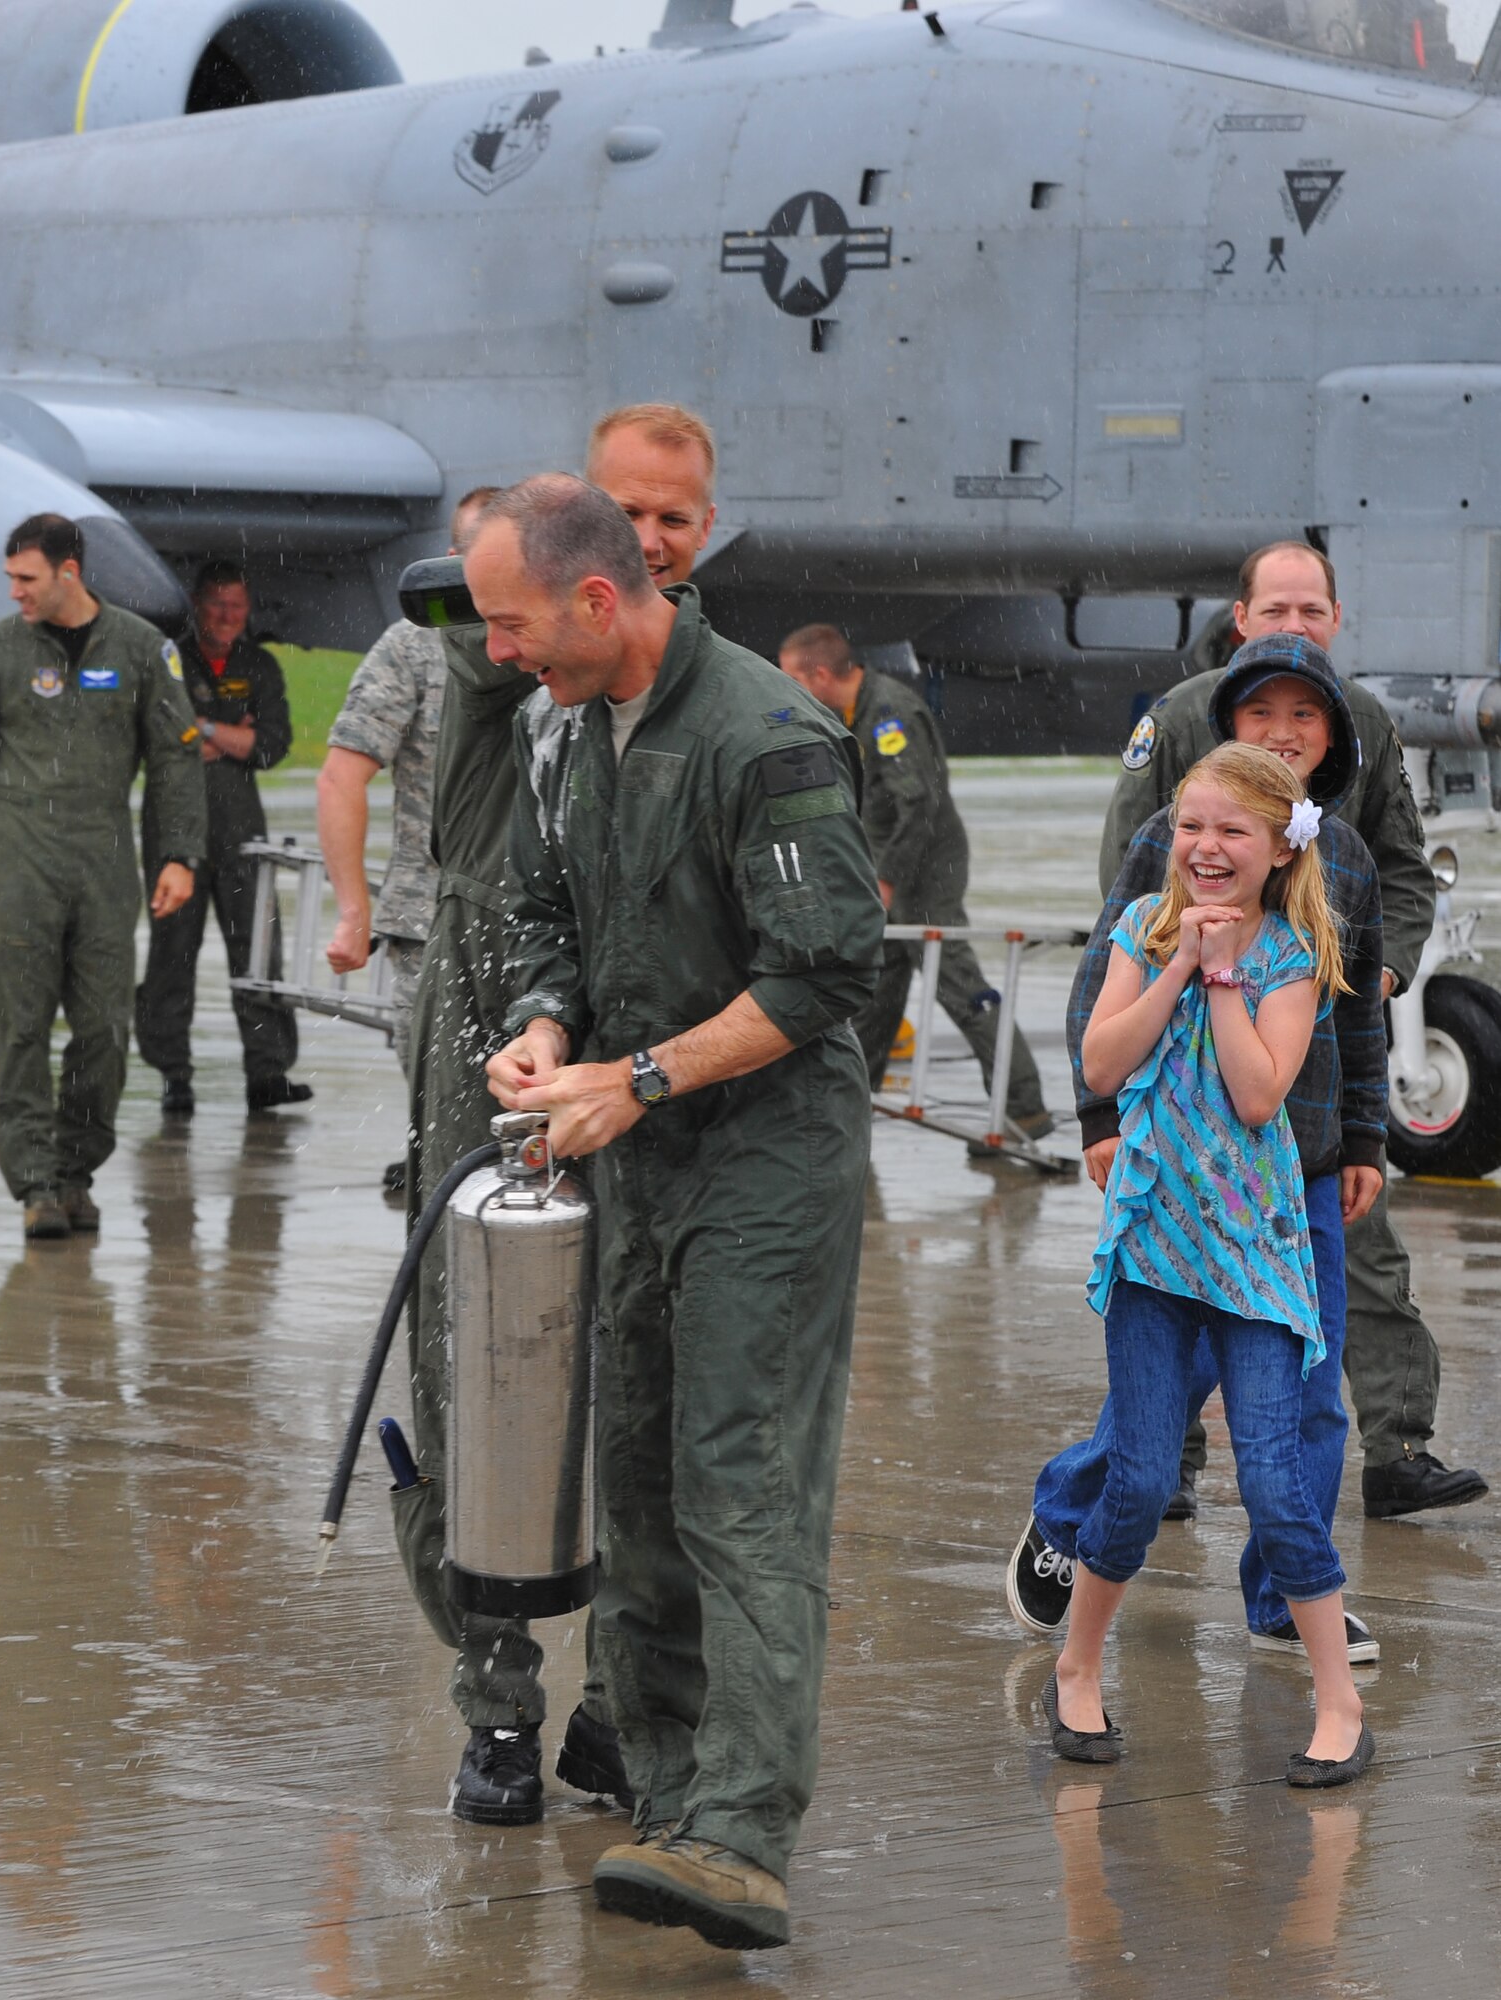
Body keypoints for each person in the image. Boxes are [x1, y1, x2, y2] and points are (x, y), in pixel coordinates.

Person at [480, 475, 884, 1949]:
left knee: (739, 1480)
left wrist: (634, 1077)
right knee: (636, 1480)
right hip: (637, 1154)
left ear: (596, 601)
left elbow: (827, 970)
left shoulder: (766, 734)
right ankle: (661, 1794)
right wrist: (540, 1025)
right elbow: (545, 916)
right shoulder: (572, 739)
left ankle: (742, 1832)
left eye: (510, 623)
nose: (496, 652)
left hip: (763, 1157)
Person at [400, 405, 720, 1829]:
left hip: (645, 1031)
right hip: (495, 1016)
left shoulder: (695, 682)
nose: (651, 540)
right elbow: (450, 592)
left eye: (677, 521)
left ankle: (614, 1710)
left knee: (636, 1390)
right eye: (623, 511)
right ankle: (497, 1710)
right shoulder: (508, 634)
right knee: (478, 1376)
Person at [1013, 635, 1387, 1666]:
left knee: (1304, 1403)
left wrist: (1364, 1135)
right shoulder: (1166, 845)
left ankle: (1279, 1595)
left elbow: (1358, 1019)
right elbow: (1107, 975)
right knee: (1154, 1408)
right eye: (1260, 713)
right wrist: (1098, 1125)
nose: (1282, 731)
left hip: (1292, 1172)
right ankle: (1068, 1514)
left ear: (1330, 738)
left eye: (1303, 716)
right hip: (1175, 1177)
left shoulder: (1342, 861)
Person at [1101, 541, 1484, 1521]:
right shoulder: (1182, 718)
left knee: (1358, 1255)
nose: (1291, 625)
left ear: (1334, 618)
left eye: (1309, 609)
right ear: (1239, 617)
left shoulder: (1354, 727)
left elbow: (1393, 872)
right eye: (1273, 607)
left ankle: (1395, 1444)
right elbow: (1128, 882)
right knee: (1177, 1277)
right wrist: (1101, 1102)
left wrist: (1375, 970)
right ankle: (1162, 1462)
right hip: (1192, 1064)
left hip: (1313, 1062)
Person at [0, 514, 204, 1240]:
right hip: (20, 860)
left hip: (103, 859)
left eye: (26, 579)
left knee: (103, 1031)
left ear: (69, 572)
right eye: (10, 579)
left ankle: (75, 1169)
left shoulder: (141, 649)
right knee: (20, 1029)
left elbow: (177, 758)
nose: (15, 592)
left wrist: (179, 855)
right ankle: (35, 1184)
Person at [778, 622, 1052, 1142]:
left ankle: (1024, 1109)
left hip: (923, 875)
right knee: (874, 995)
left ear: (818, 674)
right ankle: (850, 1110)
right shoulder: (856, 713)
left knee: (960, 989)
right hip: (888, 875)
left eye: (790, 677)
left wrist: (884, 881)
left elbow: (917, 804)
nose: (787, 688)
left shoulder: (889, 714)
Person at [318, 491, 496, 1186]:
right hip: (432, 924)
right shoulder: (415, 647)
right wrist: (354, 910)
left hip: (546, 928)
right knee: (449, 1112)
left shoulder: (558, 639)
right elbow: (340, 778)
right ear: (451, 561)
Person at [134, 562, 306, 1117]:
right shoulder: (168, 659)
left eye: (237, 605)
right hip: (171, 827)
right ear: (197, 603)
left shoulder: (259, 663)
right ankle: (173, 1076)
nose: (229, 616)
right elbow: (156, 738)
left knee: (257, 948)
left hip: (240, 826)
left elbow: (272, 744)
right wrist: (236, 732)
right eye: (218, 604)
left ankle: (268, 1073)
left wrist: (203, 729)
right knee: (171, 953)